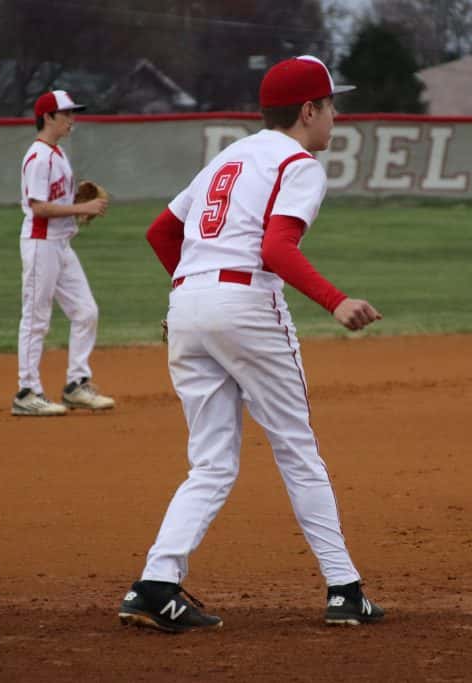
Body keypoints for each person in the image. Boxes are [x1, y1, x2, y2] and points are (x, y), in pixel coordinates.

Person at [118, 56, 384, 633]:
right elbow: (275, 249)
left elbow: (161, 232)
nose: (335, 115)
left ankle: (155, 584)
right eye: (331, 105)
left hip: (187, 305)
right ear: (308, 110)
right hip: (245, 306)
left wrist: (191, 293)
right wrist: (335, 300)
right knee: (296, 447)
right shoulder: (299, 163)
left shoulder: (229, 156)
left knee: (211, 461)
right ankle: (344, 590)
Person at [12, 90, 116, 417]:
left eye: (73, 113)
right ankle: (27, 392)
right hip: (41, 243)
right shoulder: (38, 157)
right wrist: (82, 207)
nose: (72, 119)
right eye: (66, 114)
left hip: (61, 244)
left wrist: (75, 201)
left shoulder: (57, 154)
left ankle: (76, 385)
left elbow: (55, 201)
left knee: (86, 311)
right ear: (48, 117)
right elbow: (39, 208)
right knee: (36, 319)